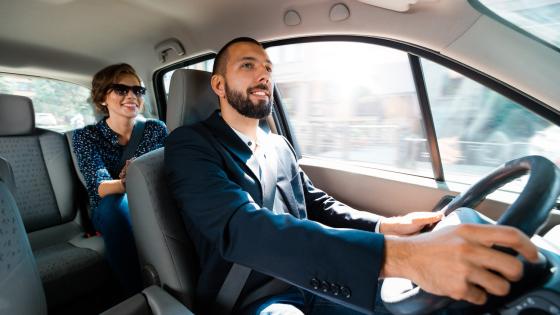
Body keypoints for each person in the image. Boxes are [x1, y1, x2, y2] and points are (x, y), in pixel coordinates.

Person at [164, 38, 538, 314]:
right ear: (218, 85)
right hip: (258, 295)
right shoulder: (189, 146)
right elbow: (242, 228)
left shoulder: (277, 145)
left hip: (320, 279)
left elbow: (316, 204)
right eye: (247, 65)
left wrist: (386, 227)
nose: (263, 73)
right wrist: (403, 256)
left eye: (267, 67)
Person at [73, 63, 168, 296]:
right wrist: (132, 180)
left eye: (137, 91)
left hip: (154, 199)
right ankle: (141, 295)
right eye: (121, 90)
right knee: (114, 207)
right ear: (103, 98)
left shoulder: (156, 129)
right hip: (109, 208)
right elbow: (100, 188)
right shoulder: (87, 137)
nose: (131, 96)